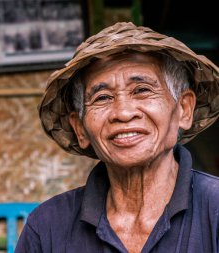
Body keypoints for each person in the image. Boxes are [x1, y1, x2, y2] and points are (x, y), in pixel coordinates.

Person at [15, 22, 219, 253]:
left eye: (142, 90)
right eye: (102, 97)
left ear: (184, 109)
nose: (123, 113)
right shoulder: (47, 226)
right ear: (80, 128)